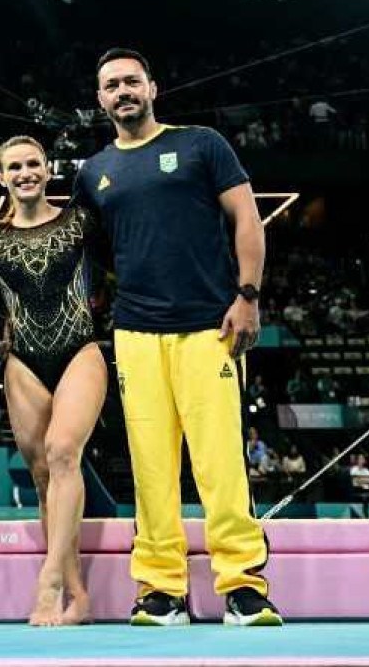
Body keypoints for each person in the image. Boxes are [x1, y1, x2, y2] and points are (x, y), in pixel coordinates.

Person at [74, 49, 280, 628]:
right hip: (136, 334)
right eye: (111, 85)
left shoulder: (201, 144)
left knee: (220, 464)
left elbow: (246, 219)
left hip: (209, 328)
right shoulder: (94, 172)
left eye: (131, 81)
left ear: (153, 87)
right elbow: (81, 253)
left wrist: (248, 295)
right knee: (151, 469)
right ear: (100, 100)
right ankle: (161, 590)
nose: (122, 92)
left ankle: (243, 586)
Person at [0, 135, 105, 627]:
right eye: (15, 166)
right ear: (1, 176)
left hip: (80, 351)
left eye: (33, 163)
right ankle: (79, 597)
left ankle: (48, 583)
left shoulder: (79, 223)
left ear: (47, 170)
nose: (25, 172)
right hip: (23, 361)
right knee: (43, 477)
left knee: (63, 452)